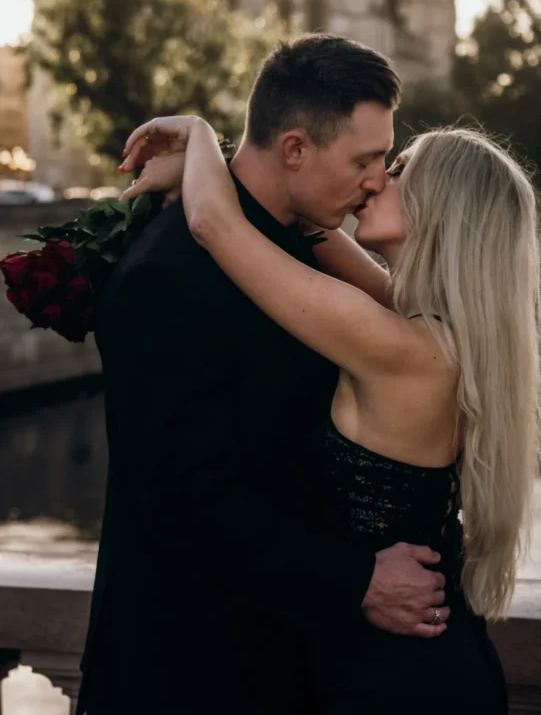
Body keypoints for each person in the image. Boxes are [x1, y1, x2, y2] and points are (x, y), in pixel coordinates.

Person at [120, 95, 541, 711]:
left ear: (442, 210)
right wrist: (216, 161)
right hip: (426, 660)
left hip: (395, 678)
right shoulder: (434, 332)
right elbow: (310, 223)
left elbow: (215, 227)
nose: (376, 180)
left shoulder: (396, 345)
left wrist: (198, 131)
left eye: (399, 171)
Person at [76, 35, 451, 715]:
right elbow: (182, 500)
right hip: (188, 675)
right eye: (364, 160)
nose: (376, 181)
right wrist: (355, 579)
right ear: (296, 149)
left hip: (286, 664)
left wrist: (202, 152)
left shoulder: (304, 246)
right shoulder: (167, 273)